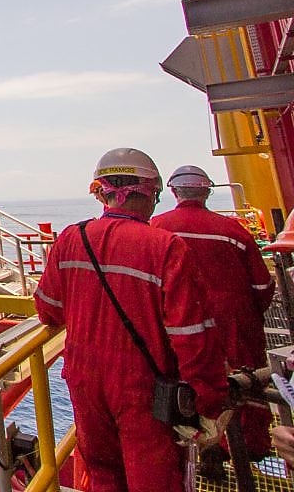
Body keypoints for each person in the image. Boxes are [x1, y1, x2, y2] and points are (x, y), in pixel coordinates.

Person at [33, 148, 228, 491]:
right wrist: (208, 400)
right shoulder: (164, 247)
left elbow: (48, 308)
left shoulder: (70, 239)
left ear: (101, 193)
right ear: (150, 194)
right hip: (145, 388)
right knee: (154, 478)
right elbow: (192, 335)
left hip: (84, 380)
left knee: (103, 473)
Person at [151, 164, 275, 467]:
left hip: (180, 321)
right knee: (248, 381)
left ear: (174, 192)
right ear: (207, 191)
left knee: (188, 381)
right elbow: (262, 285)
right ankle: (254, 447)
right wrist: (249, 312)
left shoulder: (156, 228)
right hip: (235, 320)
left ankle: (206, 448)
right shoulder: (233, 230)